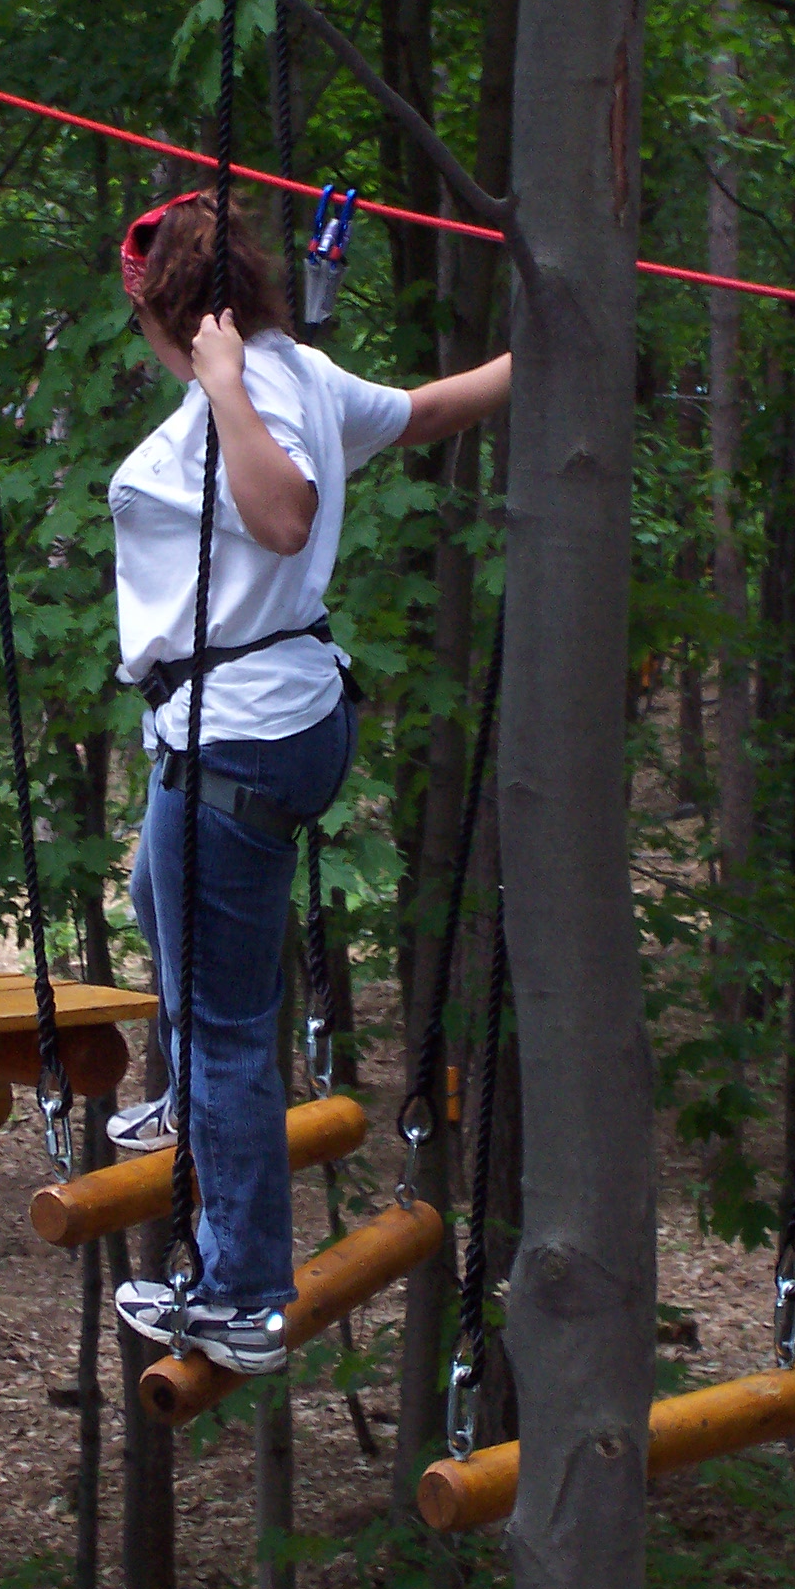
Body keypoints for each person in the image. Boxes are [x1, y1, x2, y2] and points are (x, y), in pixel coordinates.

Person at [108, 190, 512, 1374]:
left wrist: (224, 388)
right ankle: (192, 1101)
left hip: (236, 730)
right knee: (153, 896)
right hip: (274, 712)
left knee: (226, 1026)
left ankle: (240, 1293)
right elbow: (426, 412)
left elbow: (284, 516)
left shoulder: (246, 396)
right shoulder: (307, 375)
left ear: (172, 319)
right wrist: (534, 358)